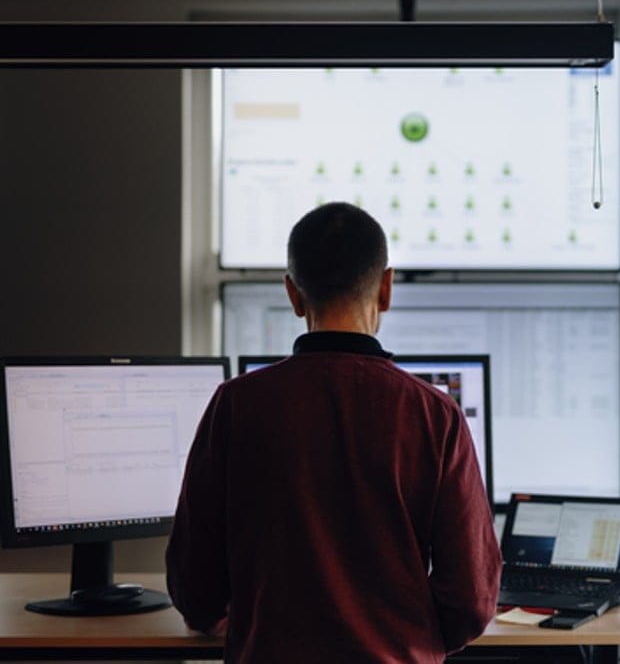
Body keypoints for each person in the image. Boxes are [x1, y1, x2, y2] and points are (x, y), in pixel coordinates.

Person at [166, 202, 501, 663]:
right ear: (386, 288)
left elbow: (194, 585)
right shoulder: (434, 415)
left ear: (293, 295)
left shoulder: (236, 405)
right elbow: (471, 600)